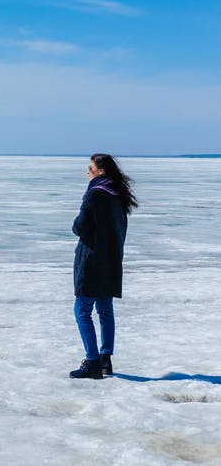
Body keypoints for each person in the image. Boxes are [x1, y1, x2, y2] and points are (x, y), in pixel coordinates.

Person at [69, 153, 138, 379]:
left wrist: (77, 227)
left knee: (82, 311)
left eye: (90, 168)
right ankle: (105, 359)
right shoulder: (118, 195)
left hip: (91, 261)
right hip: (110, 261)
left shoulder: (95, 194)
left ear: (101, 171)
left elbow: (81, 227)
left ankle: (91, 362)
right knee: (105, 310)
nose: (87, 171)